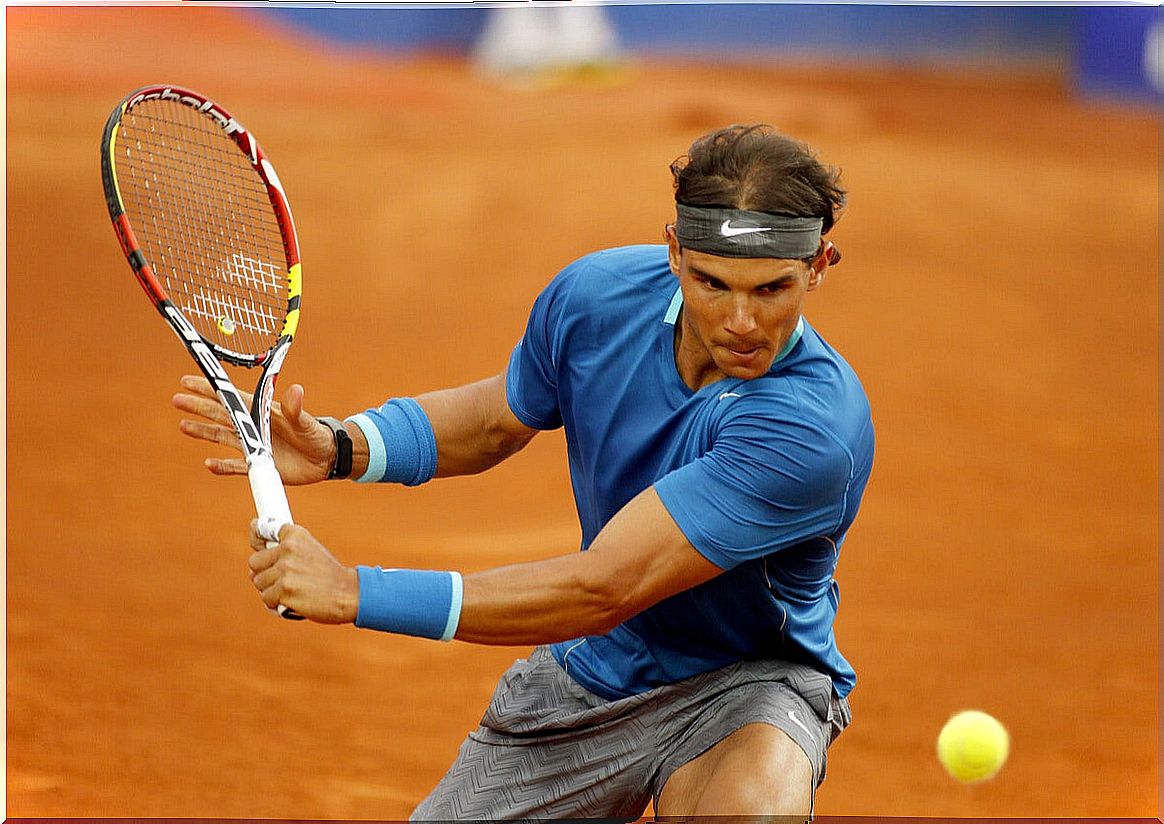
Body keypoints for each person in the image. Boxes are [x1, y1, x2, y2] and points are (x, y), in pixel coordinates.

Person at [173, 123, 874, 820]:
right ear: (673, 253)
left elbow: (605, 585)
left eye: (772, 289)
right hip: (599, 666)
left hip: (746, 682)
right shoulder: (595, 300)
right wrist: (341, 447)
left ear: (818, 265)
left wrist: (354, 590)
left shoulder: (811, 428)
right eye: (712, 283)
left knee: (749, 812)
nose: (742, 321)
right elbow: (492, 420)